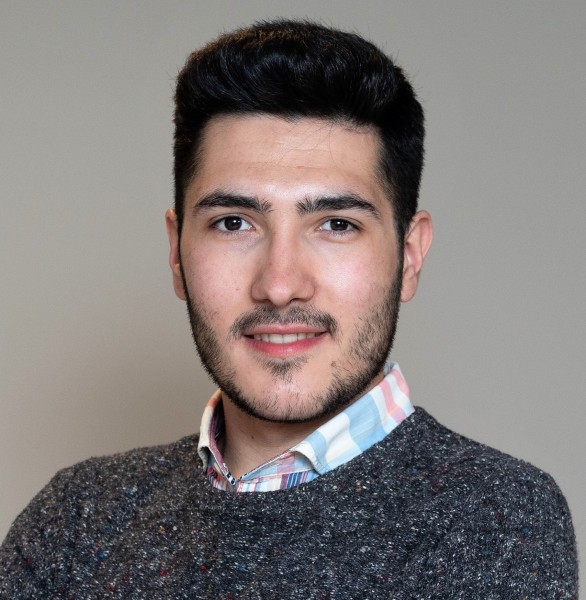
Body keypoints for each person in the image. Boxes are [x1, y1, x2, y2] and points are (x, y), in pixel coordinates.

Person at [0, 19, 577, 599]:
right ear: (176, 252)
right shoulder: (76, 521)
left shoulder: (496, 517)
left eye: (336, 225)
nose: (280, 286)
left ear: (409, 255)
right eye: (234, 223)